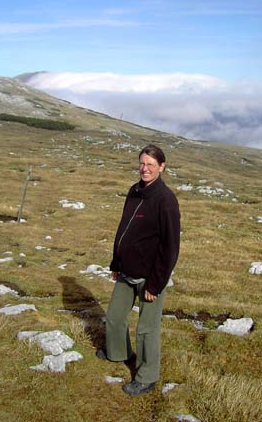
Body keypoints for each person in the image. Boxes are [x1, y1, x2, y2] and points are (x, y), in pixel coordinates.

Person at [97, 144, 181, 396]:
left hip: (149, 277)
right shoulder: (134, 191)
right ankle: (118, 352)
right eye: (142, 163)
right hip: (126, 270)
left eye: (151, 165)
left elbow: (170, 247)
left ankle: (146, 377)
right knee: (114, 317)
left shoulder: (165, 200)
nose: (145, 168)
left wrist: (156, 285)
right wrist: (115, 262)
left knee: (146, 328)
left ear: (162, 167)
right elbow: (123, 230)